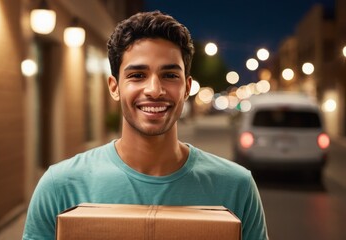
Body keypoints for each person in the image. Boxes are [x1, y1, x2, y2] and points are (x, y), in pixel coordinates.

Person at [23, 10, 269, 240]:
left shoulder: (236, 187)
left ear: (186, 87)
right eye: (137, 75)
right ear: (114, 87)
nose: (154, 90)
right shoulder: (60, 186)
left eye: (170, 75)